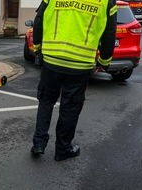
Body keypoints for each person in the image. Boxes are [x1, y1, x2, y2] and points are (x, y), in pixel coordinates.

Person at [31, 0, 117, 161]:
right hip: (80, 63)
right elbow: (109, 32)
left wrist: (37, 47)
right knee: (70, 106)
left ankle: (39, 144)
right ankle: (63, 149)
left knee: (46, 100)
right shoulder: (106, 1)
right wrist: (104, 61)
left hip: (51, 58)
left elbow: (39, 20)